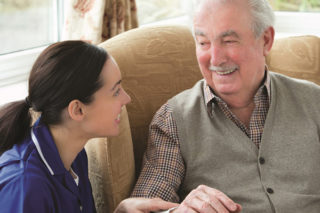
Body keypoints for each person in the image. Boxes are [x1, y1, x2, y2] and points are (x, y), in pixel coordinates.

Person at [131, 0, 320, 212]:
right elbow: (144, 207)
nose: (215, 58)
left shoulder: (314, 101)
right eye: (203, 43)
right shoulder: (173, 120)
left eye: (229, 41)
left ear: (266, 40)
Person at [0, 41, 178, 213]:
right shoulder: (25, 186)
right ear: (77, 110)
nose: (126, 99)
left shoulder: (75, 157)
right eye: (116, 91)